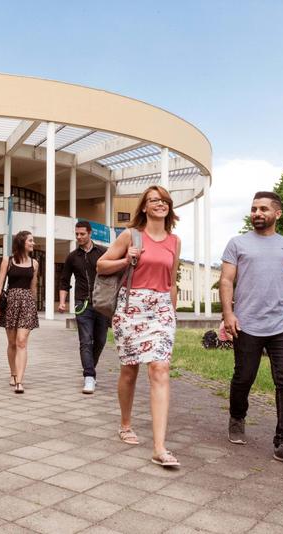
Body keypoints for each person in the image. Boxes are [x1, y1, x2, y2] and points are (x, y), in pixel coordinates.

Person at [220, 191, 283, 469]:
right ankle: (237, 416)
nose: (257, 213)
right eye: (253, 209)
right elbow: (226, 281)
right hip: (247, 324)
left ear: (277, 214)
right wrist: (228, 314)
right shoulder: (237, 243)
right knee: (243, 377)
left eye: (263, 209)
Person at [97, 185, 181, 467]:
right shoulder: (131, 235)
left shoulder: (175, 241)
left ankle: (159, 447)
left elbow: (171, 280)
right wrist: (126, 258)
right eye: (153, 200)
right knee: (129, 370)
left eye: (164, 200)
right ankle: (125, 423)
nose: (160, 204)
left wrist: (172, 310)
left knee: (160, 368)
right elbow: (101, 265)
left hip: (161, 309)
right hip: (132, 306)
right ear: (144, 207)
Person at [59, 221, 108, 394]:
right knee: (86, 341)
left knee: (100, 340)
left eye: (82, 234)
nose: (79, 237)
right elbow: (64, 281)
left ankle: (91, 370)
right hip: (82, 304)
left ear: (90, 233)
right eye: (77, 234)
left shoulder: (103, 252)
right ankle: (88, 376)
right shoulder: (72, 257)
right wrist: (63, 301)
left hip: (102, 303)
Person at [0, 230, 39, 394]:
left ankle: (19, 380)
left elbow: (33, 287)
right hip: (11, 302)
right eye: (30, 241)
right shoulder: (8, 261)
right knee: (12, 343)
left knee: (21, 342)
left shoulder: (34, 263)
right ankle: (12, 373)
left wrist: (33, 307)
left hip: (27, 304)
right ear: (22, 242)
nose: (33, 243)